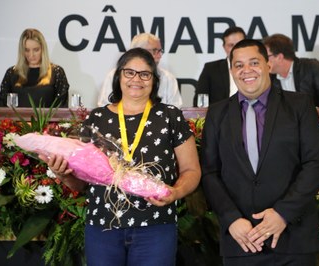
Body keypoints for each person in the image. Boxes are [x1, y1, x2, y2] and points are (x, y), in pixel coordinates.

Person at [40, 48, 201, 266]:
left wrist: (176, 192)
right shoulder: (97, 118)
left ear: (154, 80)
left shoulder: (170, 116)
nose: (137, 79)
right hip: (103, 228)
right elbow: (82, 185)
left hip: (155, 227)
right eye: (130, 72)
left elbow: (192, 170)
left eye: (145, 74)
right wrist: (63, 174)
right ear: (119, 77)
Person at [201, 39, 319, 265]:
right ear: (231, 71)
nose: (246, 70)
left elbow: (316, 163)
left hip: (293, 239)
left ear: (268, 65)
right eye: (238, 65)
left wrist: (282, 213)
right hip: (241, 240)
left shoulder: (300, 105)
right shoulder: (217, 113)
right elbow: (210, 172)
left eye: (254, 62)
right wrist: (231, 219)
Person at [98, 33, 183, 108]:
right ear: (137, 51)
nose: (159, 56)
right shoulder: (114, 75)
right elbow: (104, 105)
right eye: (154, 51)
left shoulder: (168, 78)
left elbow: (175, 108)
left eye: (160, 51)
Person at [0, 28, 69, 108]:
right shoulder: (12, 73)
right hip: (16, 121)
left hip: (47, 121)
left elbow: (62, 109)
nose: (31, 55)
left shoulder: (56, 73)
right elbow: (1, 107)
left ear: (43, 49)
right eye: (26, 50)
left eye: (36, 50)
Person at [263, 33, 319, 107]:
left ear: (279, 57)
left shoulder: (311, 67)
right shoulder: (269, 77)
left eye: (266, 57)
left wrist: (317, 117)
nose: (264, 61)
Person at [194, 26, 246, 106]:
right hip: (221, 116)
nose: (236, 49)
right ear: (224, 47)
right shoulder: (211, 69)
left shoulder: (255, 68)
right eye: (231, 45)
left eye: (239, 44)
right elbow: (199, 103)